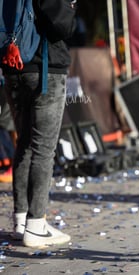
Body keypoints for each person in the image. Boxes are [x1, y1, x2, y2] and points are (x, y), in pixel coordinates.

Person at [1, 0, 76, 247]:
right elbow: (61, 25)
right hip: (44, 68)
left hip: (12, 67)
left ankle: (21, 221)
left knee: (24, 143)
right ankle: (36, 225)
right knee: (44, 150)